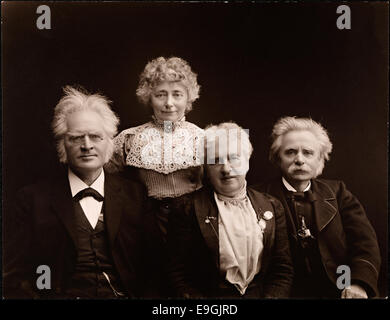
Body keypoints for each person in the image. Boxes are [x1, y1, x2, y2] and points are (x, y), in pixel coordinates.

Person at [3, 86, 152, 299]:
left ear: (110, 142)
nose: (87, 145)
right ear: (62, 144)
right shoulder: (32, 200)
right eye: (76, 138)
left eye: (95, 137)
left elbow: (154, 271)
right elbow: (16, 275)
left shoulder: (135, 196)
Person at [105, 56, 204, 296]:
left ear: (188, 98)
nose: (169, 103)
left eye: (177, 94)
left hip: (193, 221)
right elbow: (109, 179)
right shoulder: (129, 138)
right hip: (145, 221)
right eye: (161, 94)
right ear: (148, 96)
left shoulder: (204, 137)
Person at [254, 116, 381, 298]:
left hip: (339, 288)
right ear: (277, 158)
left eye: (308, 152)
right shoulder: (257, 197)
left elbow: (364, 244)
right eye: (290, 152)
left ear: (320, 158)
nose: (299, 159)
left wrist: (358, 283)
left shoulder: (338, 193)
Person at [167, 122, 293, 298]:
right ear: (206, 168)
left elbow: (282, 270)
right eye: (215, 161)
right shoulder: (186, 209)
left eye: (233, 158)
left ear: (247, 161)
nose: (226, 169)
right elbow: (178, 276)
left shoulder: (271, 205)